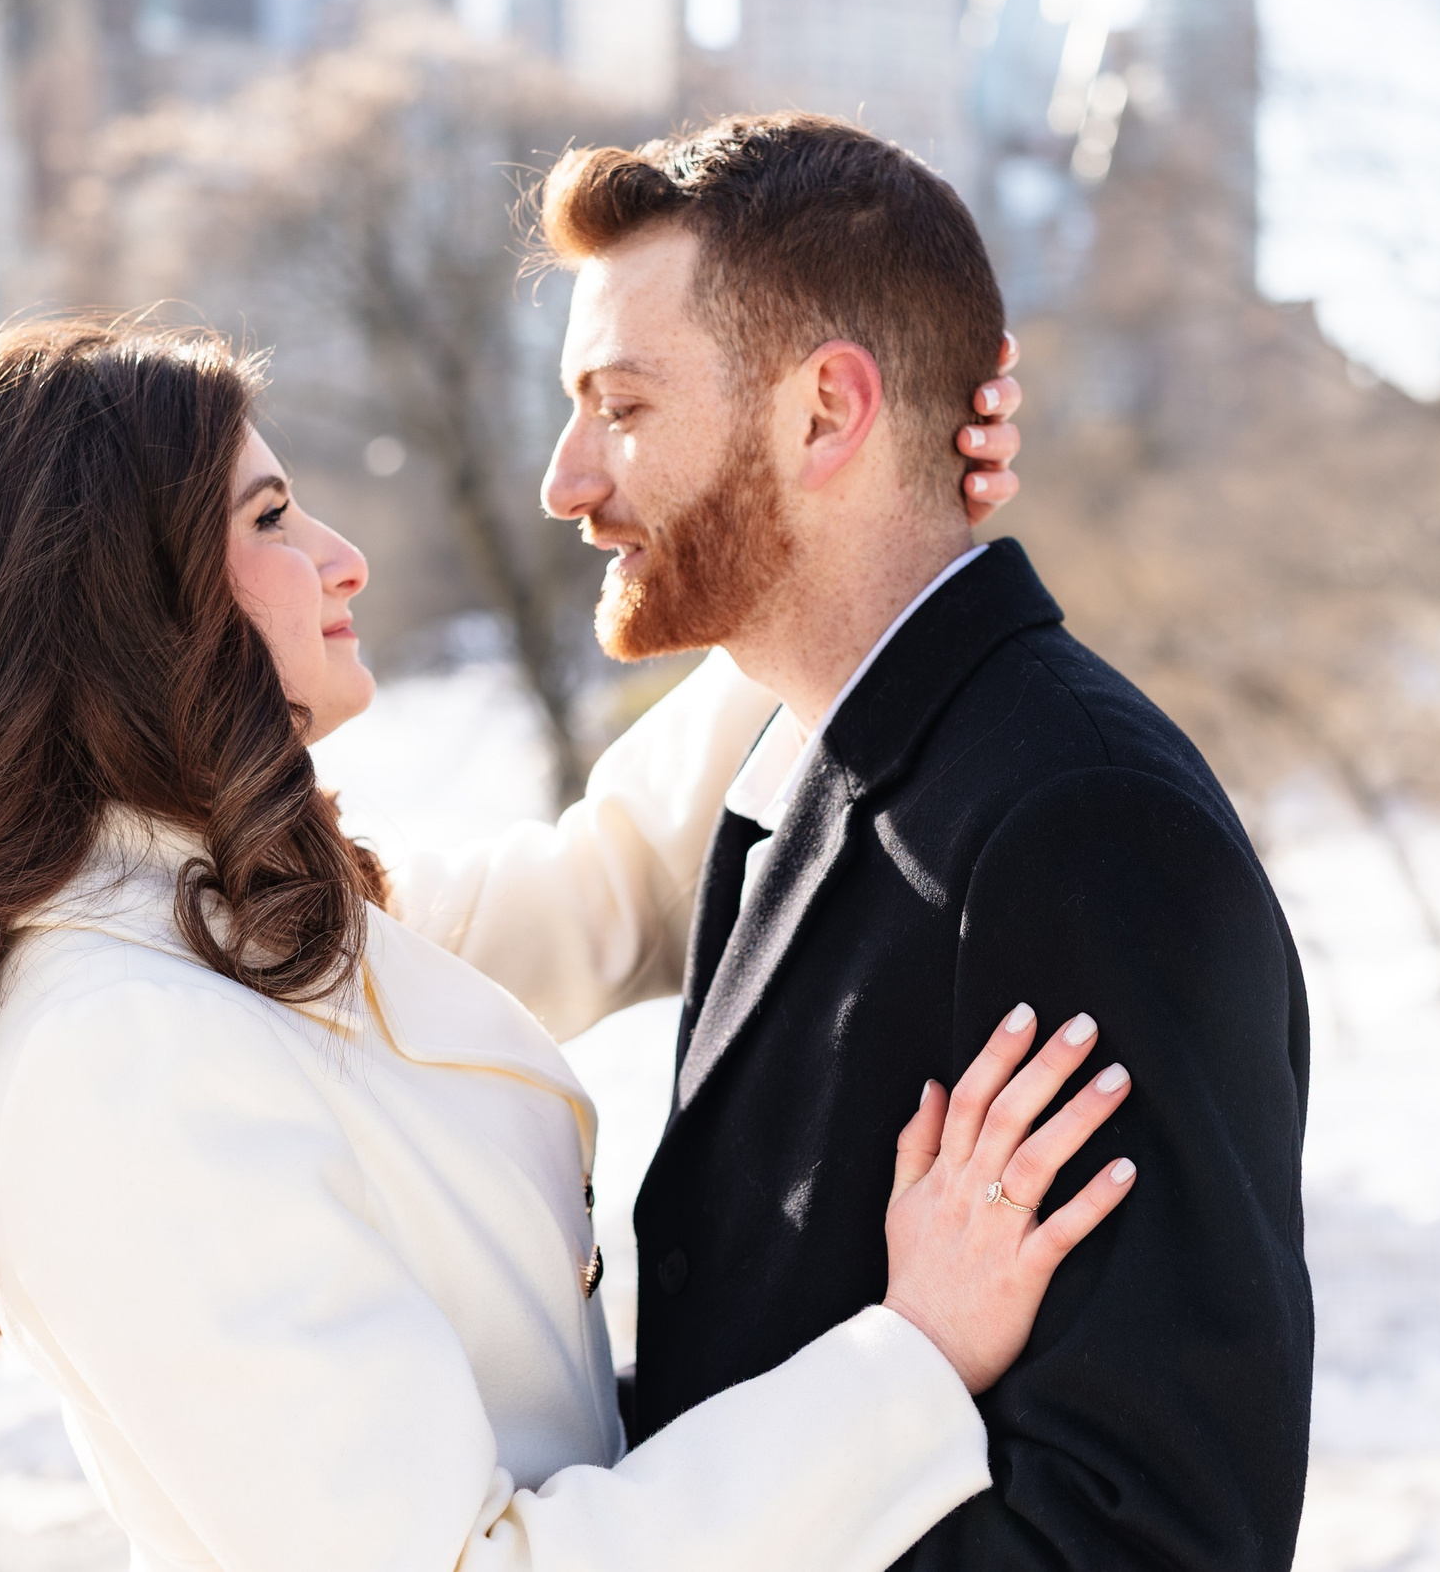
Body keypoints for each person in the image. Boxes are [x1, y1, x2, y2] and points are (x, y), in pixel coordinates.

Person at [0, 315, 1146, 1572]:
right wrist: (913, 1357)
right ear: (122, 604)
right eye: (268, 515)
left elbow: (607, 889)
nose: (340, 554)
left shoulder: (225, 925)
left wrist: (848, 522)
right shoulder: (122, 1046)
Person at [530, 113, 1316, 1569]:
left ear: (826, 411)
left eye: (622, 407)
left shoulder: (1083, 827)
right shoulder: (784, 775)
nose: (567, 480)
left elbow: (1159, 1536)